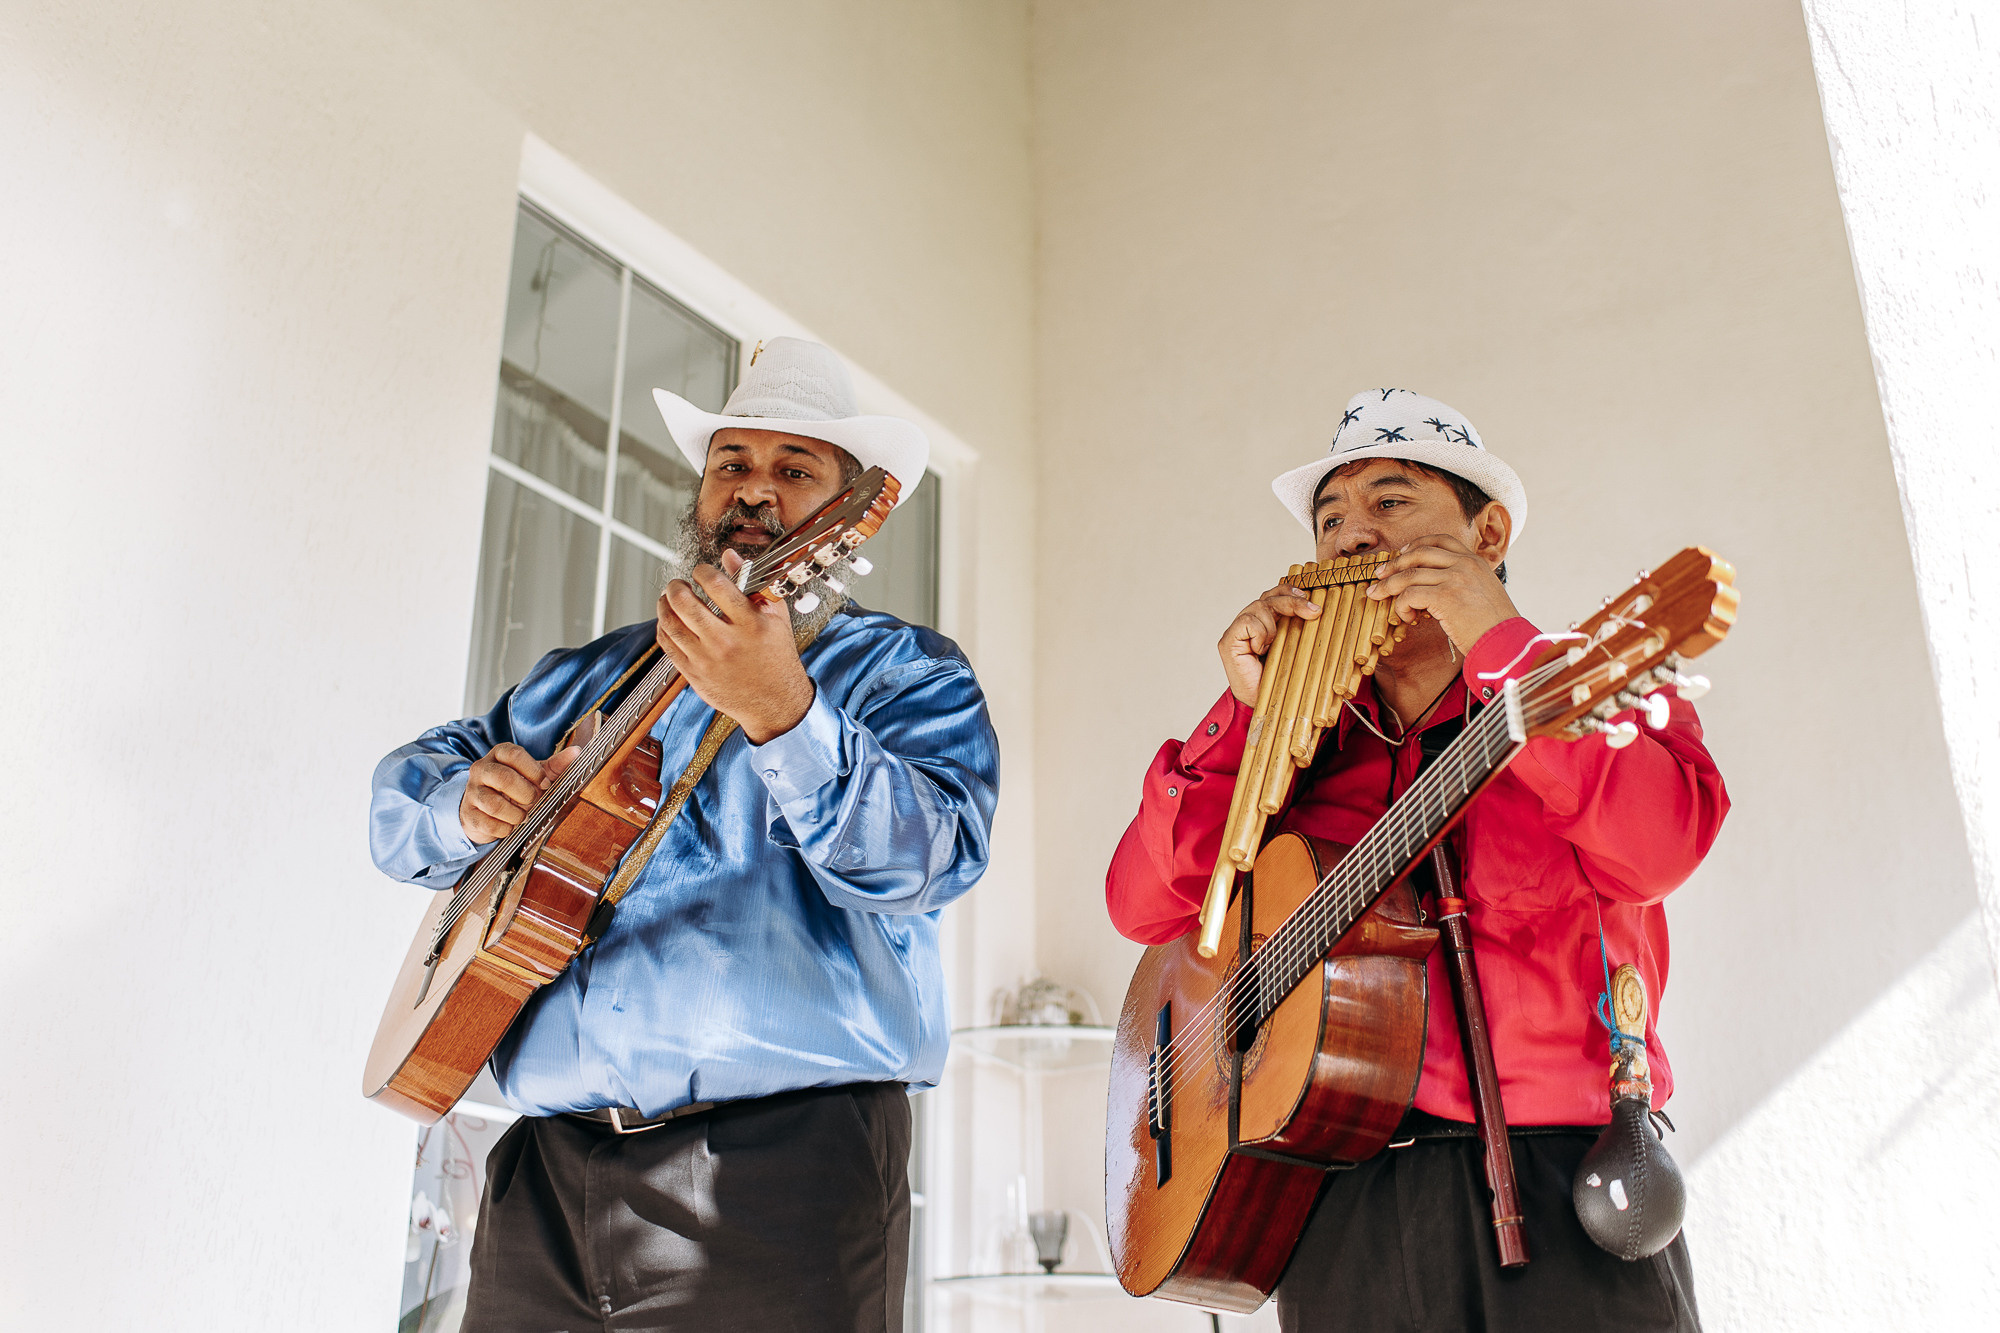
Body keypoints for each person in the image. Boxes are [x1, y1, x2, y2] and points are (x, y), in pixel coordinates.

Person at [369, 337, 999, 1332]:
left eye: (794, 471)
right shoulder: (585, 677)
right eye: (731, 465)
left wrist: (787, 713)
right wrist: (462, 802)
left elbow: (933, 859)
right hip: (543, 1171)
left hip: (779, 1172)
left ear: (839, 516)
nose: (754, 491)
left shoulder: (902, 672)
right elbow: (397, 805)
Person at [1103, 389, 1728, 1332]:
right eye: (1330, 519)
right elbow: (1146, 907)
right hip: (1335, 1194)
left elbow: (1657, 850)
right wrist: (1242, 715)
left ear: (1488, 530)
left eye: (1390, 503)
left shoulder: (1588, 685)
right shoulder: (1297, 747)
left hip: (1565, 1180)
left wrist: (1504, 644)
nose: (1353, 537)